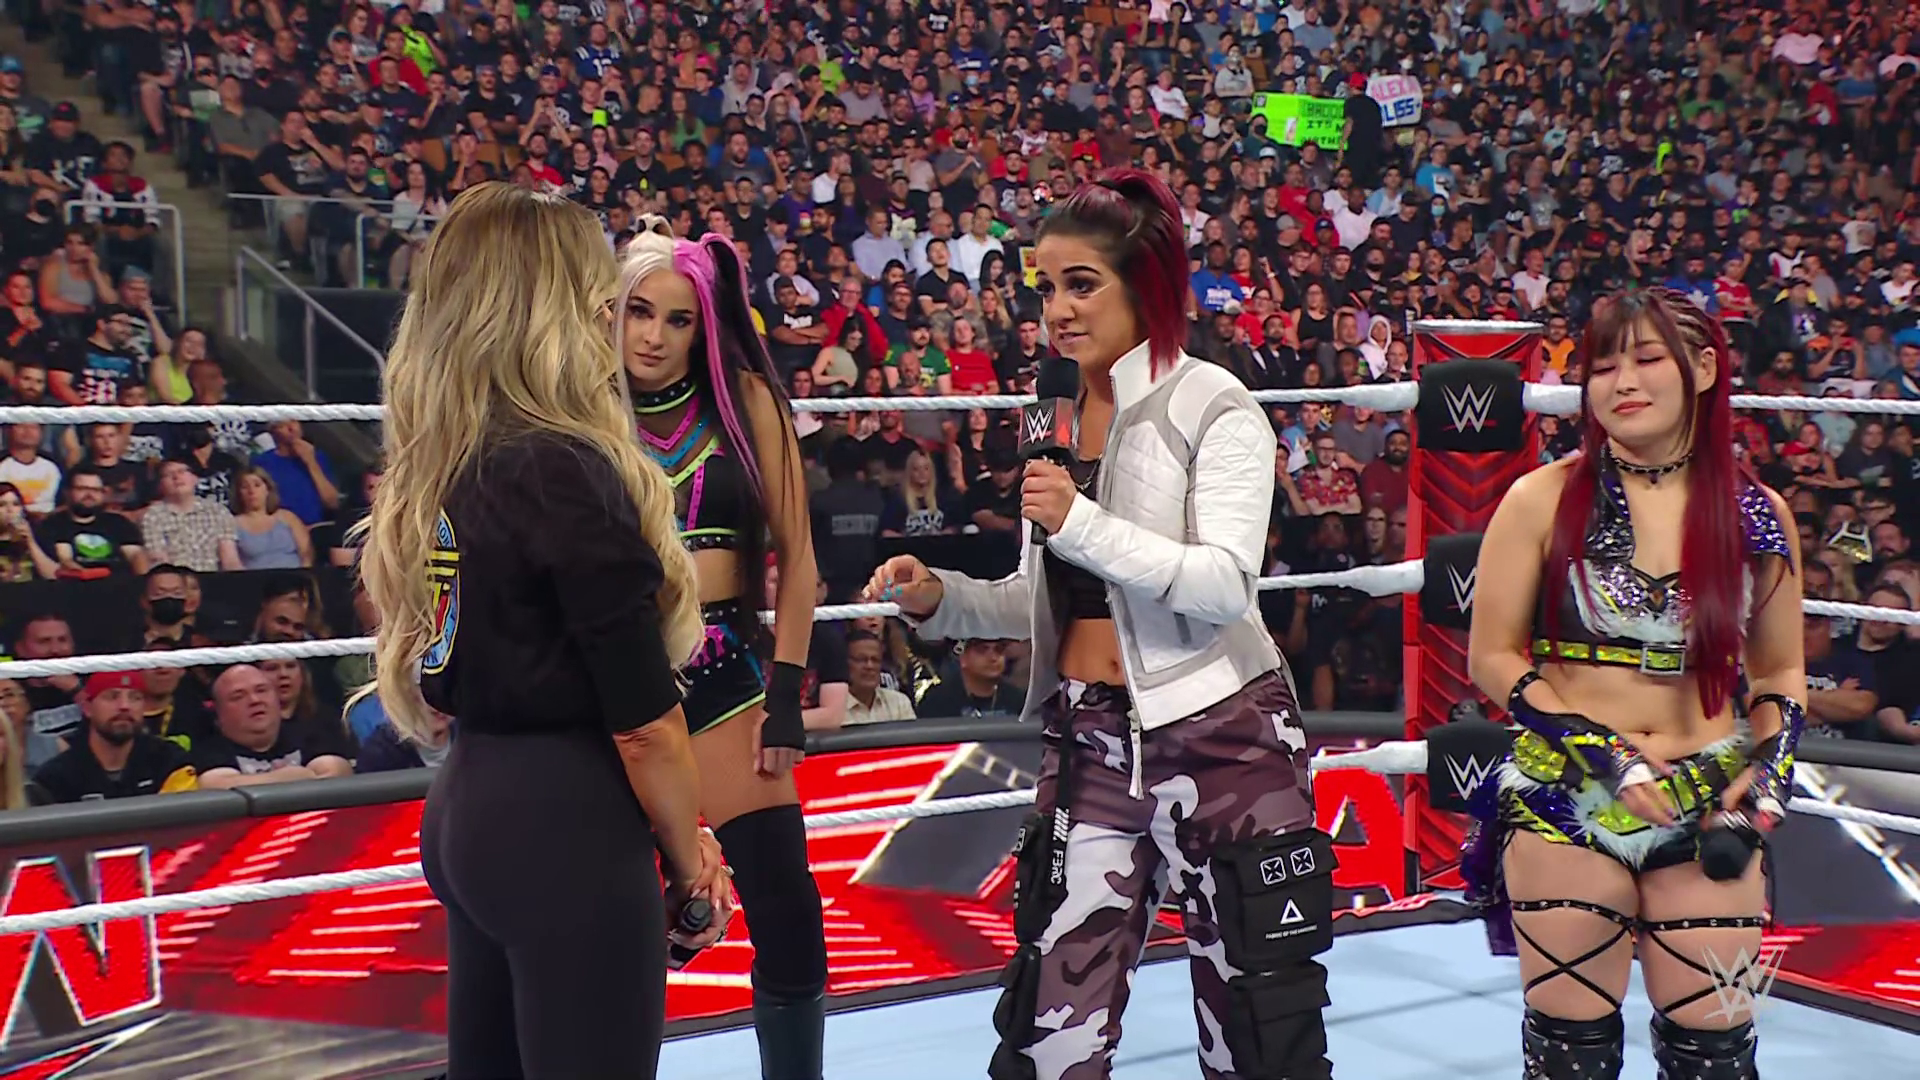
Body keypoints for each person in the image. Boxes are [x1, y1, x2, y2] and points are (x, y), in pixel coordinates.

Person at [865, 169, 1330, 1080]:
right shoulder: (1054, 415)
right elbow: (1046, 599)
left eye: (1082, 284)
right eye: (1046, 287)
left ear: (1143, 286)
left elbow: (1222, 585)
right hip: (1085, 739)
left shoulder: (1215, 403)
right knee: (1049, 1032)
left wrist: (1078, 520)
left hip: (1224, 735)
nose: (1058, 310)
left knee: (1257, 1031)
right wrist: (941, 598)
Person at [355, 184, 730, 1079]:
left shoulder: (452, 457)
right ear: (555, 309)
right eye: (598, 295)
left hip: (472, 804)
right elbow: (645, 724)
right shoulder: (562, 468)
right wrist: (690, 863)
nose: (609, 316)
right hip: (565, 821)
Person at [1462, 288, 1803, 1080]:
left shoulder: (1757, 514)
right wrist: (1606, 755)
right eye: (1603, 366)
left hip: (1705, 795)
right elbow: (1494, 657)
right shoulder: (1540, 498)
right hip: (1567, 793)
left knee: (1716, 1056)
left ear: (1704, 369)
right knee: (1569, 1055)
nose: (1623, 382)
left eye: (1648, 359)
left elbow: (1780, 670)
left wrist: (1771, 772)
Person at [617, 218, 829, 1080]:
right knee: (619, 925)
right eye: (639, 312)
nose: (653, 337)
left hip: (723, 677)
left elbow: (799, 557)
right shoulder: (580, 404)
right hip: (614, 681)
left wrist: (786, 690)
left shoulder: (744, 399)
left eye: (677, 320)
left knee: (790, 914)